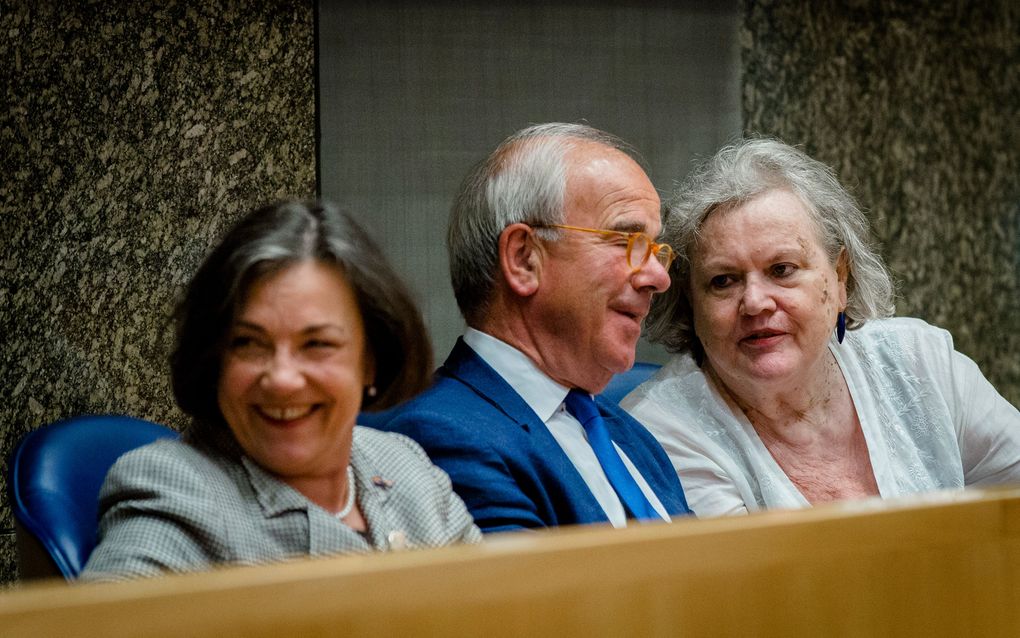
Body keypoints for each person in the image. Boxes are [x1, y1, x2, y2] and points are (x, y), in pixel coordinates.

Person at [82, 200, 481, 581]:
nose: (282, 378)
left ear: (371, 360)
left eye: (317, 344)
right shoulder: (173, 488)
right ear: (214, 359)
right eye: (248, 344)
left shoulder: (404, 466)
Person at [623, 138, 1020, 517]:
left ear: (840, 278)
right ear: (692, 303)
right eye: (723, 281)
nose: (756, 301)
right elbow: (757, 584)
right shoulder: (659, 430)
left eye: (782, 270)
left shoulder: (920, 361)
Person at [380, 123, 692, 533]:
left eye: (656, 250)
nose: (658, 277)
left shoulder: (633, 437)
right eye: (624, 241)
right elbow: (542, 599)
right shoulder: (443, 436)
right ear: (524, 259)